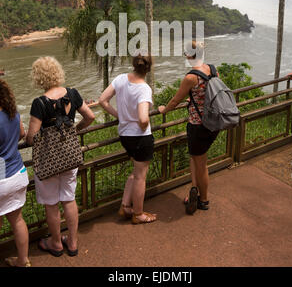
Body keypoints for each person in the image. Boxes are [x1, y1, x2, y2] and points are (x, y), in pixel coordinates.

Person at [26, 57, 95, 257]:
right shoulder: (72, 93)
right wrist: (75, 130)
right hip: (70, 157)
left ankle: (55, 243)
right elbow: (90, 117)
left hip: (48, 161)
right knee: (69, 199)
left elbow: (31, 138)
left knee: (51, 203)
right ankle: (72, 243)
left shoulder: (39, 103)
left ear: (38, 78)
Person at [158, 41, 220, 215]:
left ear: (189, 55)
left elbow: (174, 100)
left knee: (201, 164)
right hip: (213, 122)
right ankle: (194, 189)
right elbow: (210, 92)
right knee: (196, 157)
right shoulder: (213, 69)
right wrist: (193, 99)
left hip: (198, 125)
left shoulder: (191, 77)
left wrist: (164, 110)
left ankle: (204, 200)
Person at [98, 53, 157, 224]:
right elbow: (143, 118)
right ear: (149, 68)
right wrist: (143, 126)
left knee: (136, 172)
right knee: (140, 177)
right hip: (139, 137)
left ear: (134, 64)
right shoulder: (144, 88)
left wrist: (120, 116)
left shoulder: (121, 79)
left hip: (124, 135)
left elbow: (103, 100)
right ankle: (138, 214)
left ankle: (125, 206)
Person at [0, 79, 30, 267]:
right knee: (17, 220)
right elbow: (21, 134)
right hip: (18, 174)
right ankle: (23, 260)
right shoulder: (13, 113)